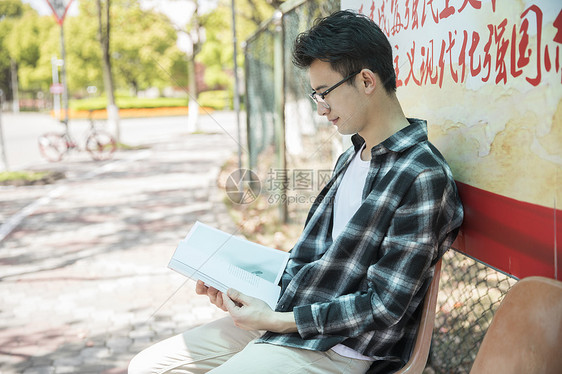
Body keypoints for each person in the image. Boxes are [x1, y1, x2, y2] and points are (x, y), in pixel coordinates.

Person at [128, 10, 463, 374]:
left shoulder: (421, 176)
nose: (321, 109)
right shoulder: (352, 156)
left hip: (341, 350)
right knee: (149, 365)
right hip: (291, 321)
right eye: (314, 96)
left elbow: (381, 307)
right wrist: (241, 294)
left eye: (324, 94)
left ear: (366, 80)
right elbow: (313, 260)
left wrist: (277, 319)